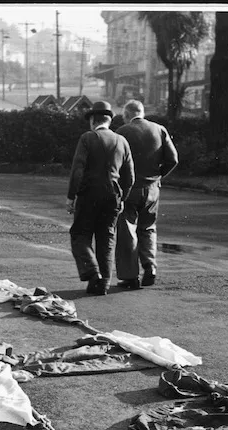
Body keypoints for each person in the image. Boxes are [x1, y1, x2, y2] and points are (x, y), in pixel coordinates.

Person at [66, 101, 135, 295]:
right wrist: (122, 199)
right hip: (113, 196)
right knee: (106, 240)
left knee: (80, 235)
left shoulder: (88, 138)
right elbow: (130, 177)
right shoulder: (122, 141)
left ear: (92, 121)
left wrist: (71, 196)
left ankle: (91, 271)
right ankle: (101, 284)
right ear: (109, 120)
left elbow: (77, 170)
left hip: (88, 195)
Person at [115, 99, 179, 289]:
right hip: (152, 188)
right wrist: (158, 175)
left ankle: (130, 276)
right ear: (142, 112)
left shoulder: (122, 132)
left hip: (129, 189)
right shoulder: (159, 129)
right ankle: (150, 266)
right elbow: (173, 159)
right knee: (148, 228)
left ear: (126, 115)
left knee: (127, 230)